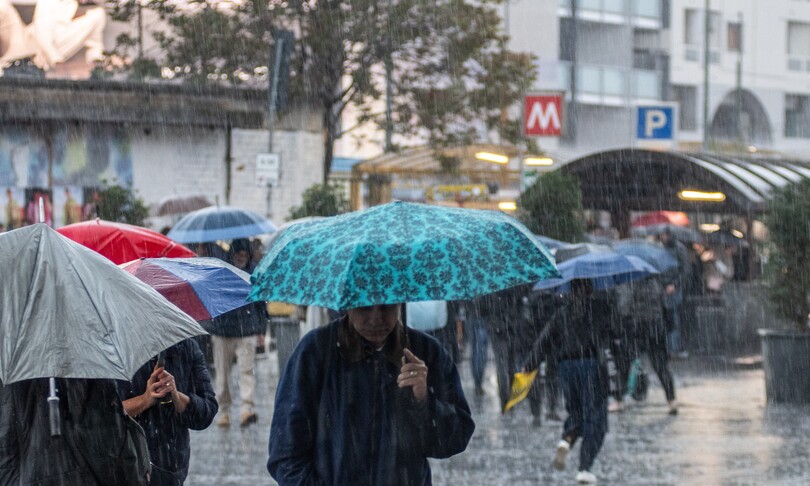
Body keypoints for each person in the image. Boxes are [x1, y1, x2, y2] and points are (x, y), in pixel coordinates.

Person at [267, 303, 475, 485]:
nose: (376, 319)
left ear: (399, 302)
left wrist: (424, 403)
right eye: (365, 307)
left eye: (386, 306)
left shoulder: (425, 351)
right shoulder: (315, 352)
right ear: (348, 304)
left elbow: (456, 438)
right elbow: (285, 453)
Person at [524, 280, 612, 485]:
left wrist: (529, 364)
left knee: (576, 412)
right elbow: (612, 336)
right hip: (591, 365)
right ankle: (584, 468)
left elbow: (544, 339)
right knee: (595, 418)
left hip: (566, 367)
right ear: (591, 288)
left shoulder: (562, 313)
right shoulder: (599, 310)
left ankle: (567, 438)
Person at [1, 377, 150, 485]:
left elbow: (5, 449)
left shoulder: (7, 365)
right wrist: (133, 476)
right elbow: (109, 444)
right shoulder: (87, 364)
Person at [118, 338, 218, 486]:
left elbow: (207, 412)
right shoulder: (115, 350)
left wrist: (177, 397)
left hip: (170, 467)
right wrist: (144, 400)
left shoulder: (186, 347)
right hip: (125, 464)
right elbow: (100, 416)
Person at [208, 238, 266, 427]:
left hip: (247, 331)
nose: (241, 258)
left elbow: (260, 303)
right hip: (223, 331)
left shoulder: (254, 272)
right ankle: (224, 411)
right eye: (238, 254)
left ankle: (246, 409)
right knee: (222, 374)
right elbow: (214, 298)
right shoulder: (222, 271)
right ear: (232, 254)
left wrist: (261, 330)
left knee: (246, 371)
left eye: (244, 254)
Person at [614, 276, 678, 415]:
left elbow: (624, 307)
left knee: (624, 365)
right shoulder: (656, 282)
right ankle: (672, 401)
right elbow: (665, 305)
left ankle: (619, 401)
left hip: (636, 328)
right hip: (656, 328)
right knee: (661, 367)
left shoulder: (629, 283)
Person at [658, 228, 692, 356]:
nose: (662, 237)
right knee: (669, 318)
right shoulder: (664, 248)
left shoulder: (678, 248)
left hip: (673, 287)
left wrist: (675, 284)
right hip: (665, 286)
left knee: (674, 317)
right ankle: (670, 347)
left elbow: (685, 270)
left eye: (664, 235)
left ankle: (675, 348)